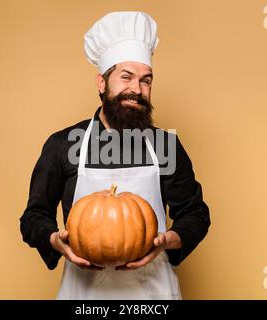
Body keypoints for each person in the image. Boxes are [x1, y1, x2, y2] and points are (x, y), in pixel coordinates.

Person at [20, 11, 210, 300]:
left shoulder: (165, 145)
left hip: (153, 294)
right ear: (101, 83)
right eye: (126, 77)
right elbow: (34, 216)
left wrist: (167, 241)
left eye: (146, 80)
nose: (136, 89)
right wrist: (54, 240)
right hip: (83, 295)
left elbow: (195, 214)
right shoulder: (64, 144)